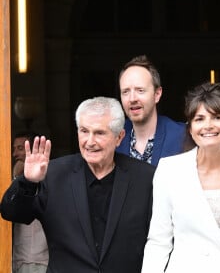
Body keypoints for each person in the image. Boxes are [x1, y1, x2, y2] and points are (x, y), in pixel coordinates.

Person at [1, 97, 155, 273]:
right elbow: (12, 213)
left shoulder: (145, 178)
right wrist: (28, 181)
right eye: (84, 131)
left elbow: (161, 240)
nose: (89, 141)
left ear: (119, 137)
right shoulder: (53, 174)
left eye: (99, 133)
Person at [141, 82, 220, 273]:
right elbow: (159, 241)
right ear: (190, 127)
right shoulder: (169, 171)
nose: (208, 125)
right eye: (199, 119)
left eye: (217, 117)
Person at [117, 55, 186, 166]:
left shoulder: (183, 136)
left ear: (157, 94)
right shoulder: (112, 137)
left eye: (140, 90)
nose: (132, 98)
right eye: (126, 92)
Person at [12, 131, 49, 273]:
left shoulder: (45, 179)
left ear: (35, 149)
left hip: (36, 261)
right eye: (14, 149)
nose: (15, 154)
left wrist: (17, 176)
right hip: (18, 259)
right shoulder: (15, 179)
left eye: (20, 148)